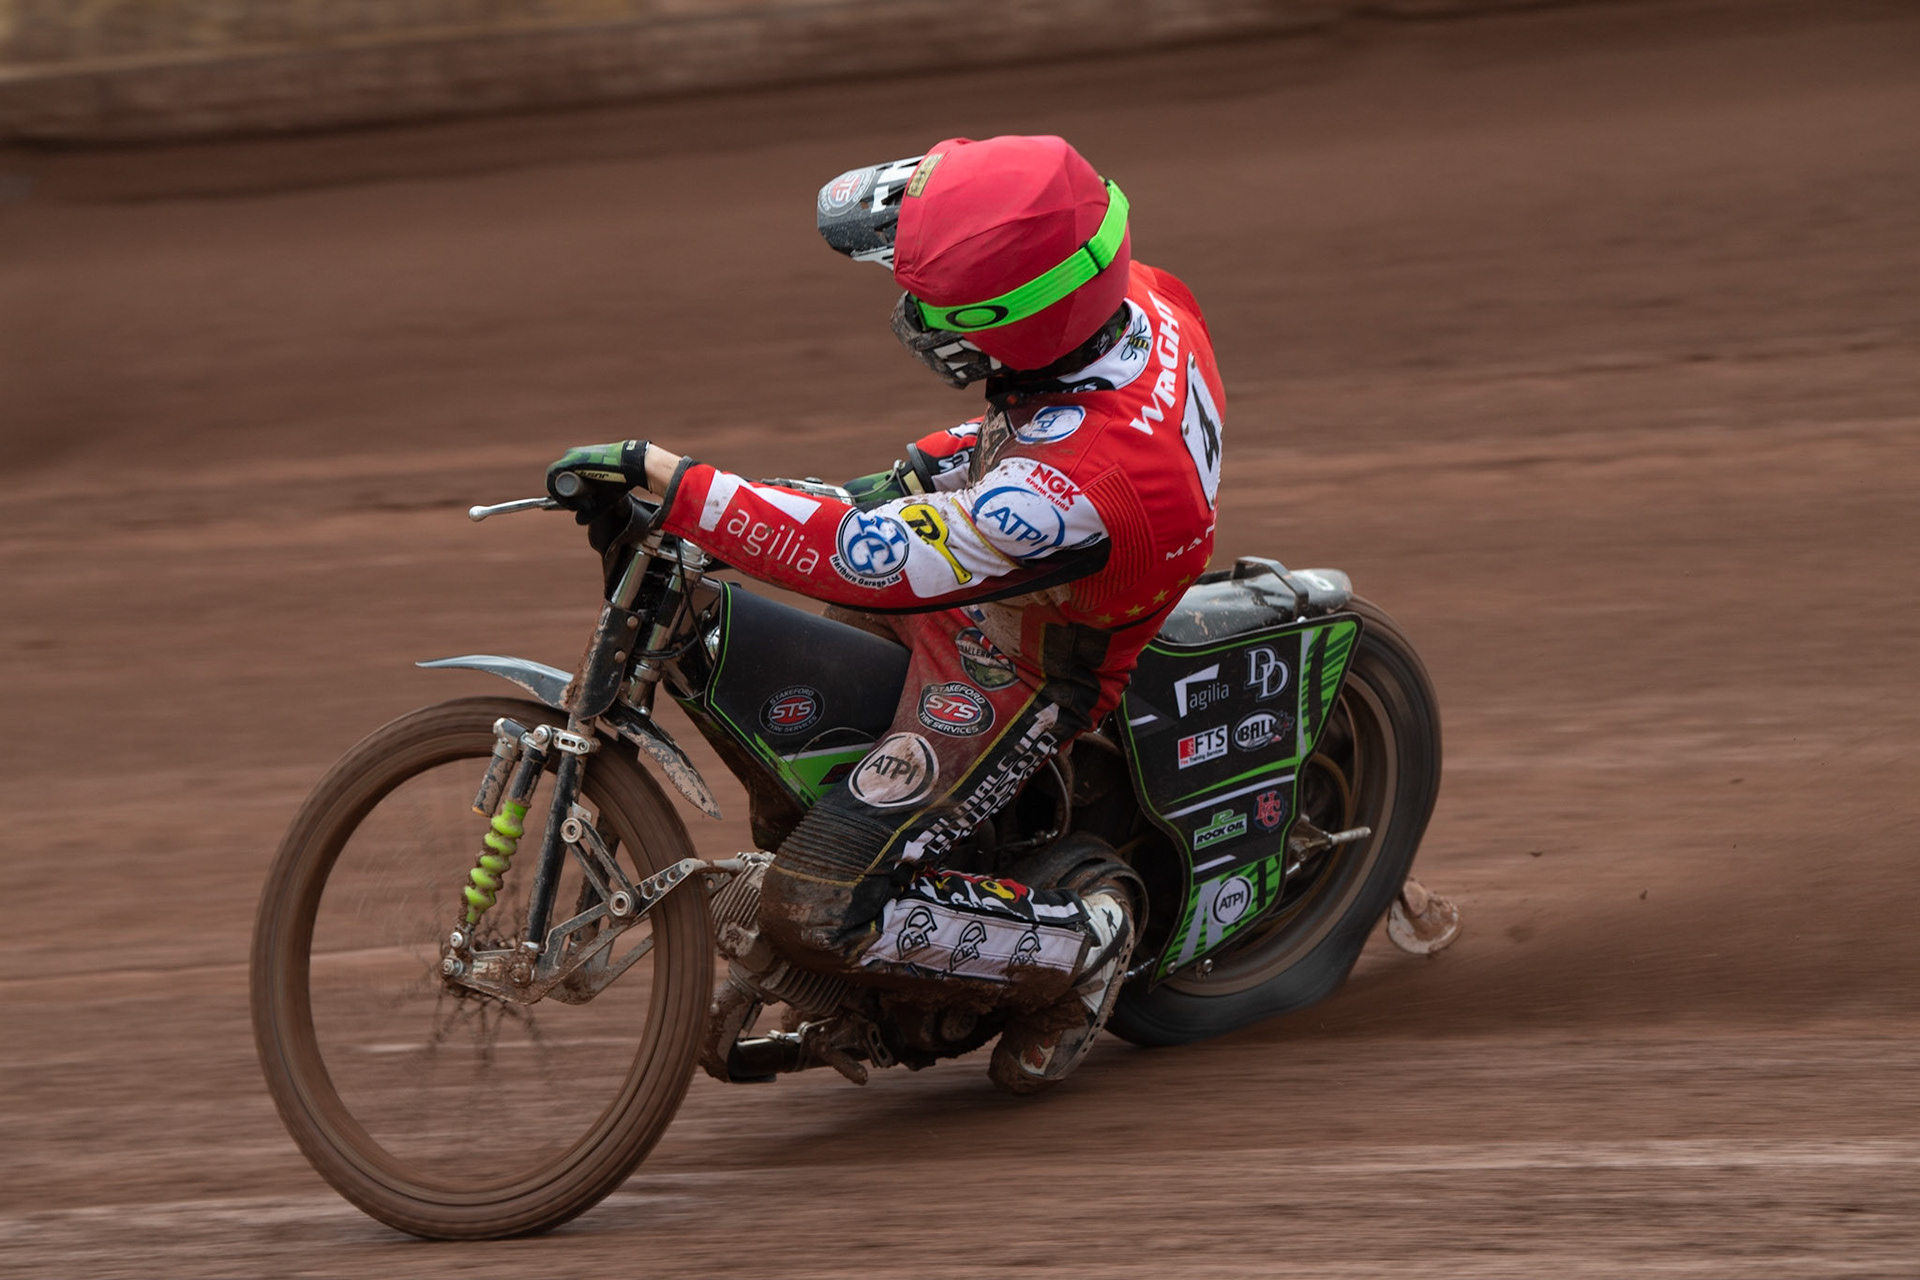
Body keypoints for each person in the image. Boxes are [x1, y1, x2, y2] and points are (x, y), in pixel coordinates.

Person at [546, 134, 1224, 1092]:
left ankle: (1088, 943)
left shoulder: (1085, 484)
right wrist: (923, 465)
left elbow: (871, 561)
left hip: (1023, 658)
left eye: (941, 306)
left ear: (1019, 320)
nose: (914, 316)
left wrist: (676, 481)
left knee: (815, 904)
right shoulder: (1131, 290)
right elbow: (1035, 419)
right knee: (793, 748)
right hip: (1020, 538)